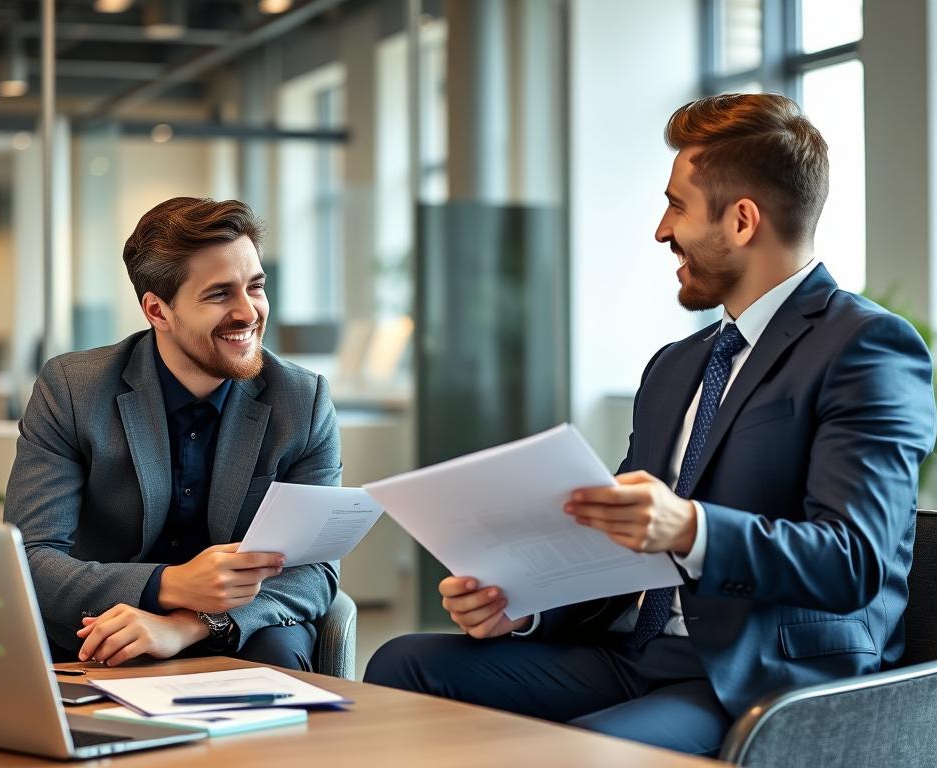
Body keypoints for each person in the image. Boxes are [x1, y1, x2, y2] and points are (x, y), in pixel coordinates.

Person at [364, 93, 937, 757]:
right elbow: (613, 549)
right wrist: (526, 608)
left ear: (743, 221)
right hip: (634, 652)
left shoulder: (865, 347)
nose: (661, 231)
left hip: (760, 678)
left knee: (582, 751)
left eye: (677, 205)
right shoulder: (677, 366)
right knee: (402, 665)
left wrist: (691, 529)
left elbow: (853, 558)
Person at [5, 197, 341, 671]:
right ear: (158, 311)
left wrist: (191, 623)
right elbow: (31, 558)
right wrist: (170, 584)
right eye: (219, 294)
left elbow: (317, 569)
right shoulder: (74, 390)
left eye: (256, 287)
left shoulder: (301, 401)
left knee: (277, 662)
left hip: (243, 632)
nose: (249, 313)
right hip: (99, 629)